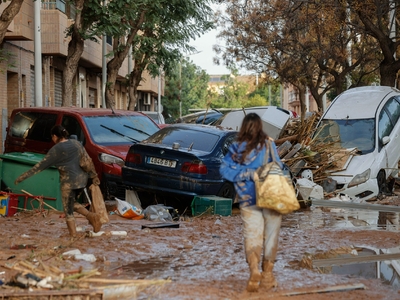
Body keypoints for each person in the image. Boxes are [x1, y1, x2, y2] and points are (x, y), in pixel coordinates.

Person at [219, 113, 283, 292]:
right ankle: (268, 276)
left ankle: (254, 270)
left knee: (252, 235)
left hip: (247, 199)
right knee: (270, 237)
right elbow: (279, 167)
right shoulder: (269, 144)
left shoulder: (236, 147)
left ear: (244, 127)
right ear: (260, 126)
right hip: (269, 197)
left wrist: (244, 175)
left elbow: (224, 170)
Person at [14, 125, 102, 237]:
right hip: (82, 180)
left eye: (52, 137)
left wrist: (22, 177)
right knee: (72, 203)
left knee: (68, 210)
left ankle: (73, 235)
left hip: (69, 183)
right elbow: (88, 161)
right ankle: (91, 217)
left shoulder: (55, 150)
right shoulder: (76, 143)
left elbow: (40, 166)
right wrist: (94, 176)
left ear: (55, 136)